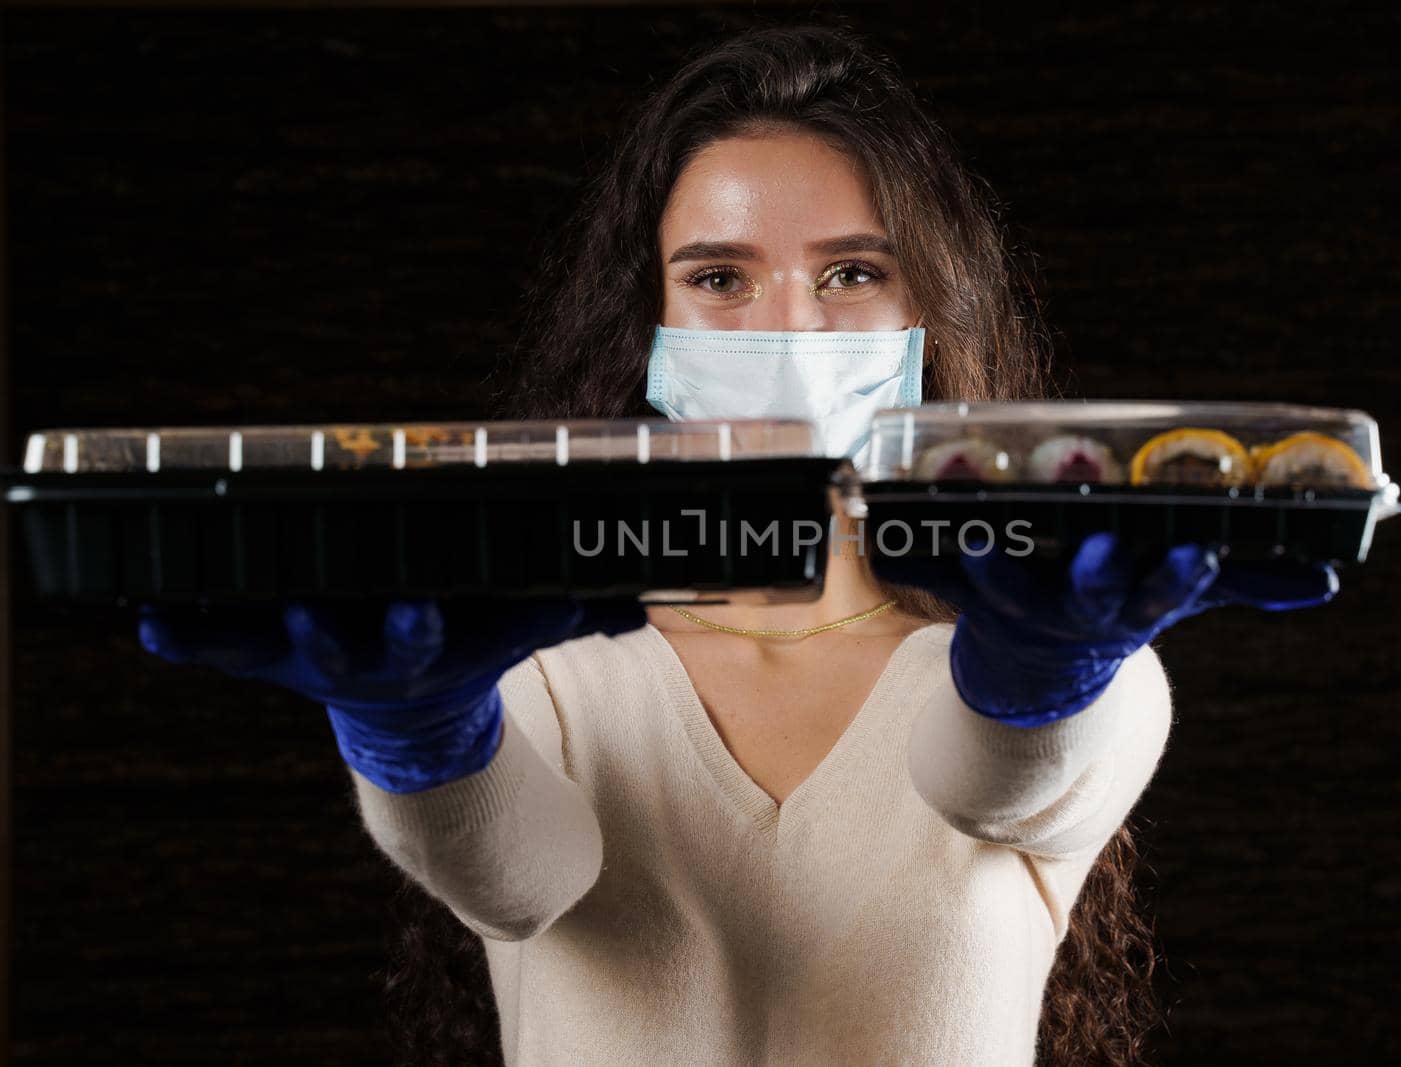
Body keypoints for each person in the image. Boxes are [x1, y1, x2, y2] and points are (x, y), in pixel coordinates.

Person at [140, 26, 1337, 1067]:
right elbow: (517, 878)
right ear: (649, 321)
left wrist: (1044, 667)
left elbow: (995, 781)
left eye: (853, 272)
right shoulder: (539, 657)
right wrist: (415, 724)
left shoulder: (1087, 647)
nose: (790, 325)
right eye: (720, 276)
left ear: (927, 313)